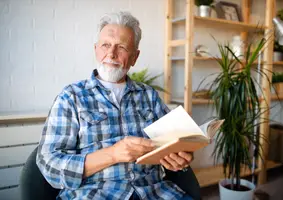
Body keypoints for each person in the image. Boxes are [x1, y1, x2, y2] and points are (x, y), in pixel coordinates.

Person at [37, 11, 194, 200]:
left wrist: (180, 157)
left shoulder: (149, 96)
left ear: (135, 56)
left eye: (121, 47)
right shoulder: (71, 97)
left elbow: (174, 144)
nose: (111, 54)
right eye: (105, 45)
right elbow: (49, 164)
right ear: (96, 49)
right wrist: (113, 154)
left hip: (155, 192)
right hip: (93, 193)